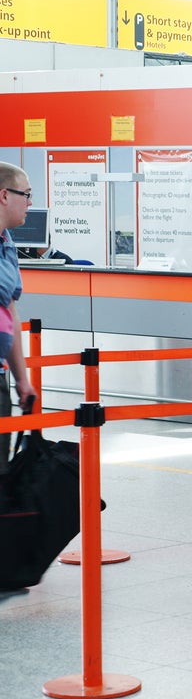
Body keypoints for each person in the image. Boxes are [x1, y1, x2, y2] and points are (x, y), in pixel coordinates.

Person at [0, 163, 39, 471]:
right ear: (3, 195)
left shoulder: (7, 244)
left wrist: (22, 379)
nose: (30, 202)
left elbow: (10, 309)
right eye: (25, 194)